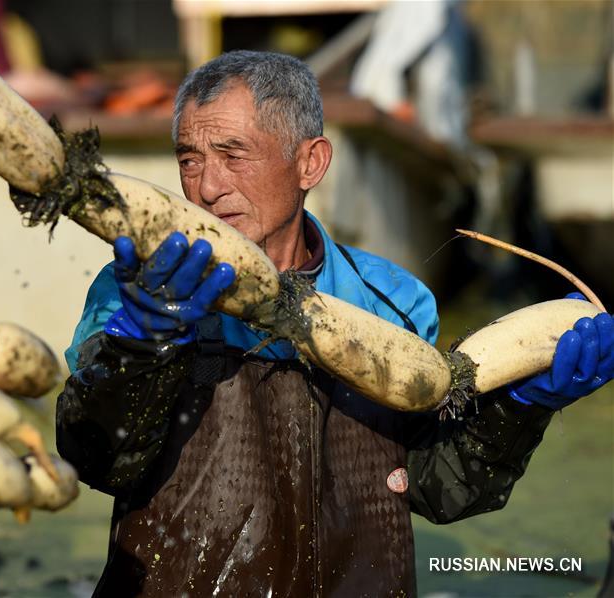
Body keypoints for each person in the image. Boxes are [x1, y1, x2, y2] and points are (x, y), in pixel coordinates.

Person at [56, 51, 614, 597]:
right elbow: (97, 460)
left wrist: (520, 406)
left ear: (311, 163)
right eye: (189, 159)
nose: (205, 187)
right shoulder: (134, 289)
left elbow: (437, 490)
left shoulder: (393, 303)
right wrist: (143, 344)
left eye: (234, 155)